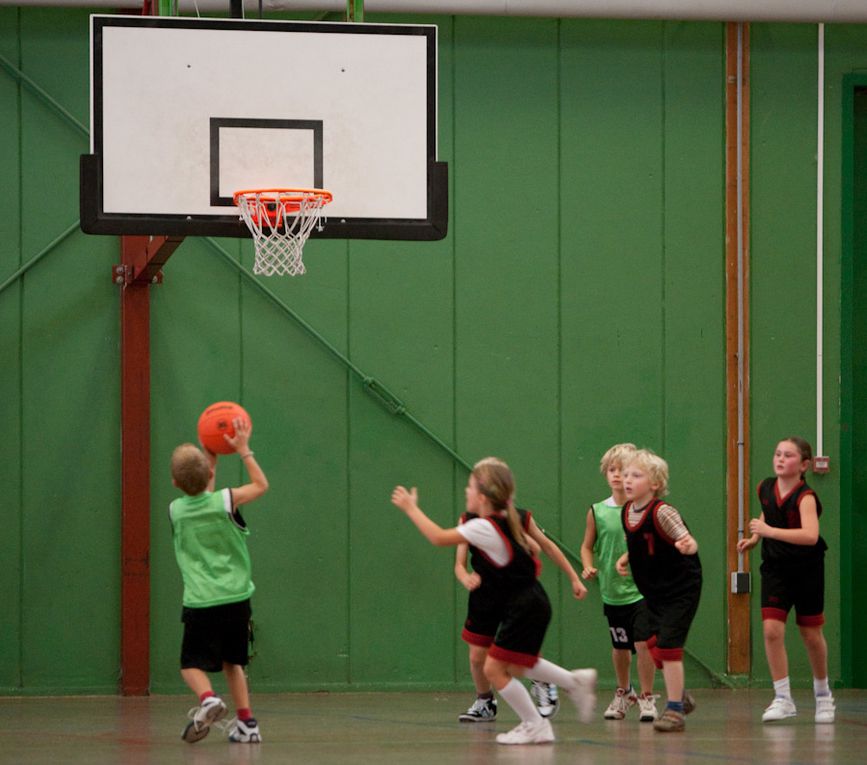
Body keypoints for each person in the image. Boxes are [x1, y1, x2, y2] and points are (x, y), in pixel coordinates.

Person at [391, 457, 597, 745]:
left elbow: (438, 538)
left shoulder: (485, 528)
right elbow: (534, 549)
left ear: (483, 496)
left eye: (469, 486)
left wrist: (411, 508)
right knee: (513, 666)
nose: (466, 491)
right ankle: (574, 682)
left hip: (525, 606)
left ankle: (535, 723)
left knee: (493, 669)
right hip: (530, 602)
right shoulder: (505, 521)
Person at [169, 417, 269, 744]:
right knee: (233, 663)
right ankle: (248, 725)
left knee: (190, 665)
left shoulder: (176, 511)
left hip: (201, 601)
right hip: (237, 599)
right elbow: (260, 486)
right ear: (211, 475)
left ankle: (208, 699)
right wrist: (243, 449)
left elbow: (200, 493)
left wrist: (208, 456)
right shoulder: (226, 500)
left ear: (174, 483)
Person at [736, 437, 835, 724]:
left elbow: (810, 536)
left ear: (804, 465)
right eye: (777, 453)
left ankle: (823, 695)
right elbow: (768, 510)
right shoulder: (765, 487)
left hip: (806, 570)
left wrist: (767, 531)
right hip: (776, 569)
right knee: (771, 631)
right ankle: (783, 698)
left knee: (810, 634)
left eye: (788, 456)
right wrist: (755, 538)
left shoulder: (806, 497)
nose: (780, 459)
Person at [455, 511, 578, 721]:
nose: (469, 492)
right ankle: (485, 702)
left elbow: (543, 547)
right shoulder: (468, 520)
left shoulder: (518, 518)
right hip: (484, 596)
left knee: (515, 658)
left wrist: (574, 577)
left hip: (514, 595)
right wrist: (466, 577)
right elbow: (459, 564)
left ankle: (545, 683)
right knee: (477, 657)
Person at [615, 449, 700, 733]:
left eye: (636, 475)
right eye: (625, 474)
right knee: (650, 644)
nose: (627, 480)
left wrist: (688, 545)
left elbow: (686, 539)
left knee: (669, 648)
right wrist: (628, 557)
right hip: (653, 592)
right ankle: (681, 694)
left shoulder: (663, 512)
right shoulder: (627, 511)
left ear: (655, 483)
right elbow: (642, 543)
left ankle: (675, 711)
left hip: (680, 590)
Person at [579, 443, 657, 721]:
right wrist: (588, 566)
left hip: (642, 591)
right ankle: (624, 692)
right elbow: (587, 546)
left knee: (643, 643)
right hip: (612, 593)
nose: (617, 476)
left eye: (623, 471)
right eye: (612, 470)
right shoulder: (597, 512)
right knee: (620, 647)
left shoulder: (645, 511)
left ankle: (648, 697)